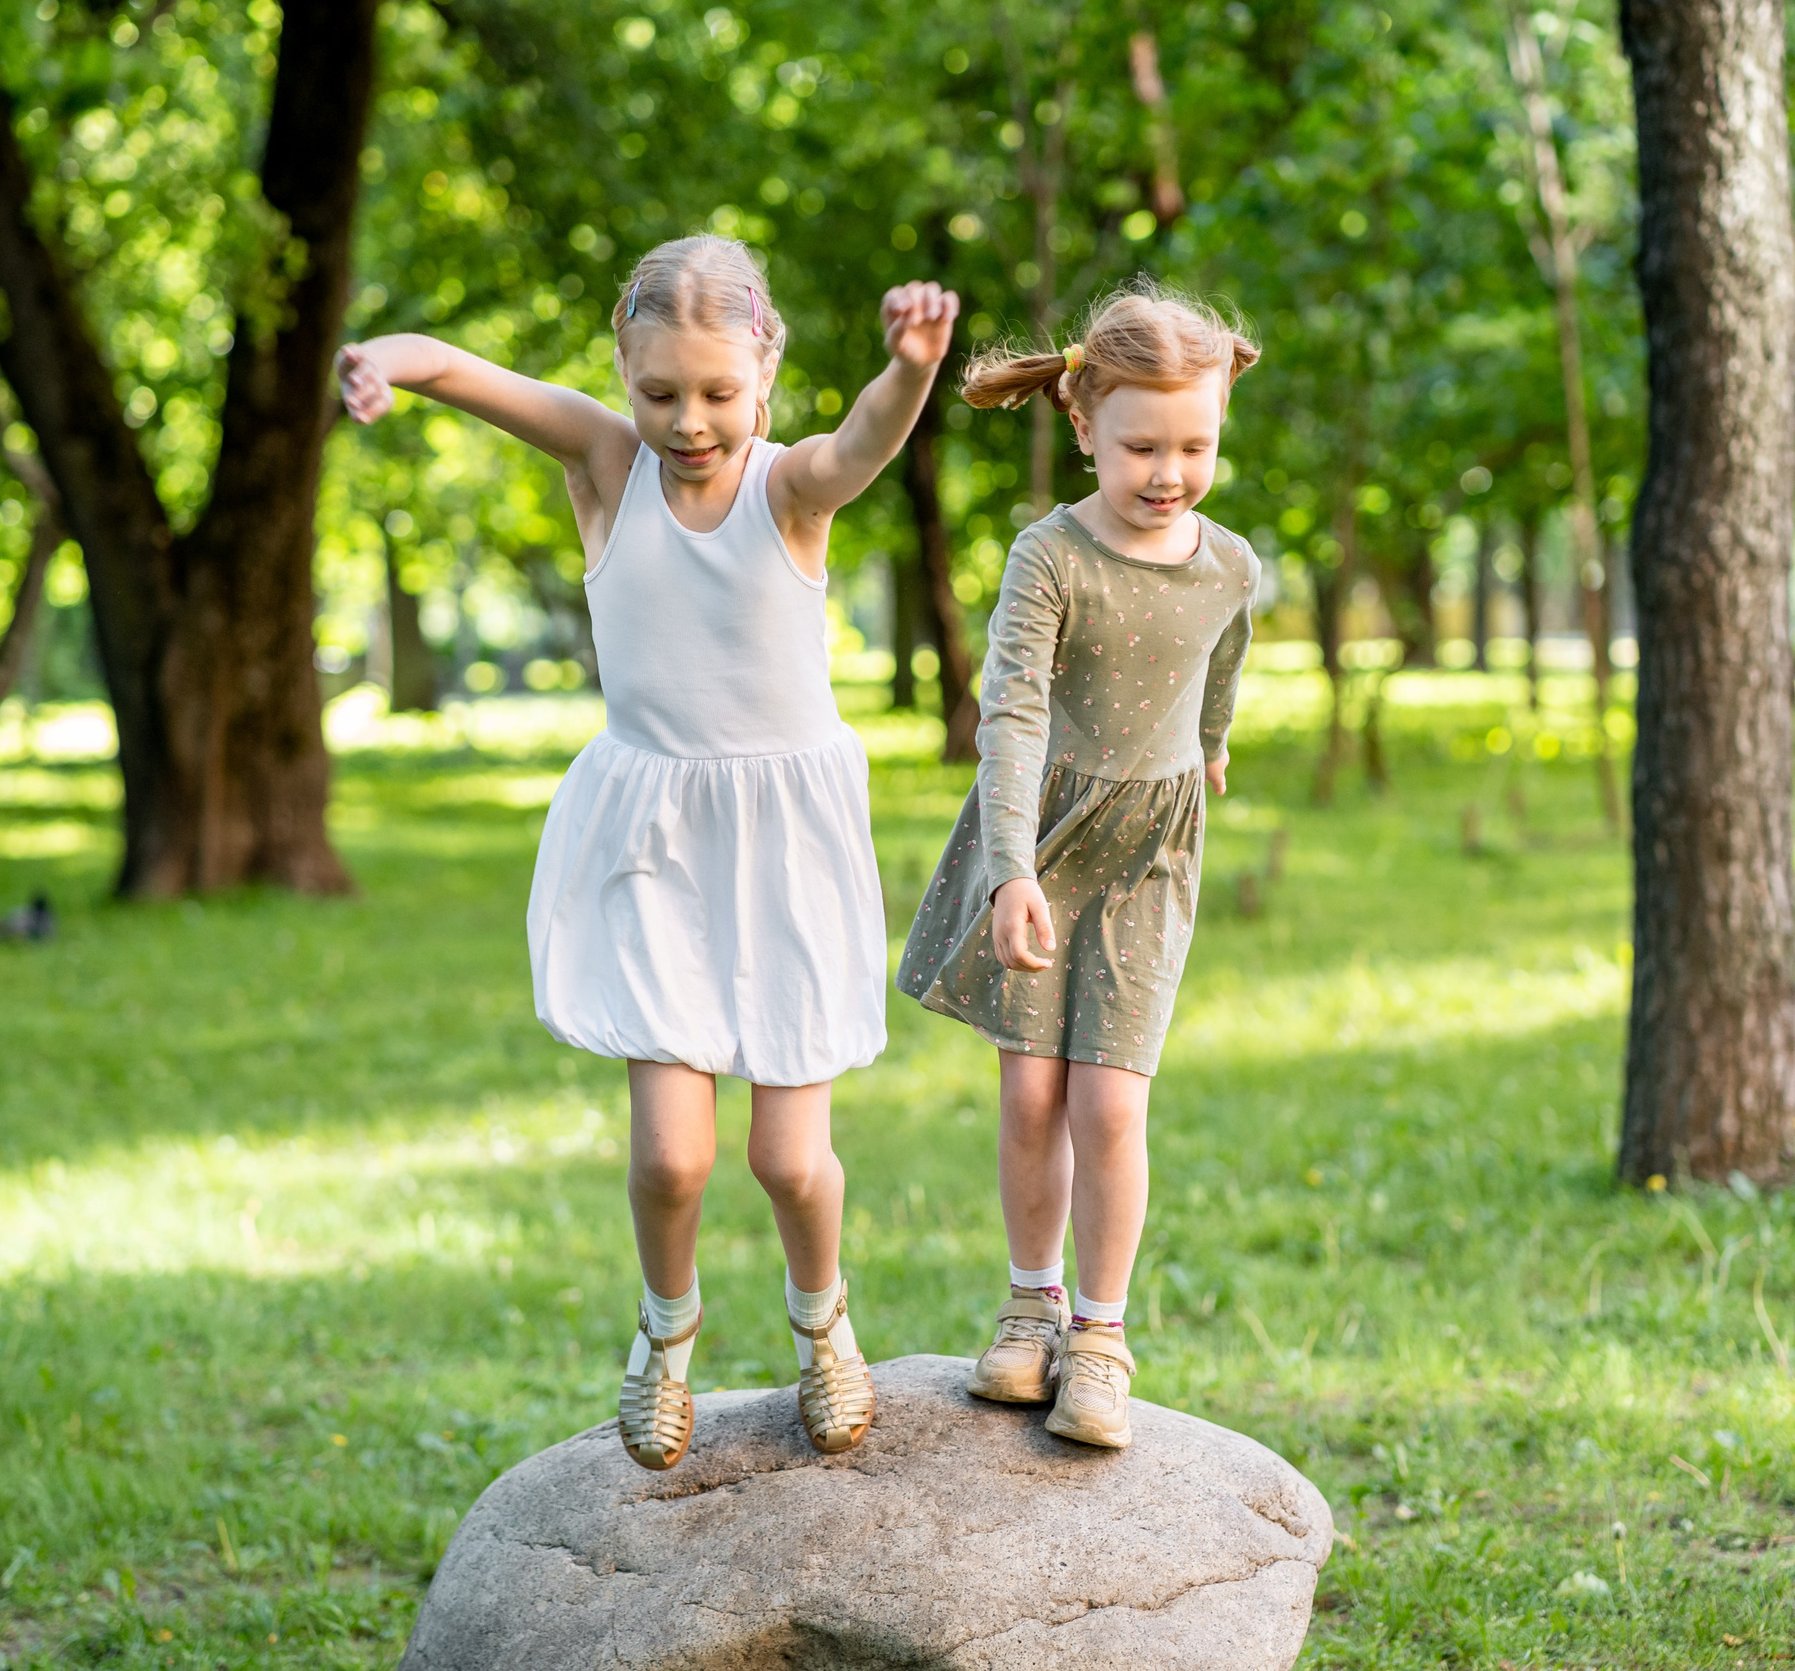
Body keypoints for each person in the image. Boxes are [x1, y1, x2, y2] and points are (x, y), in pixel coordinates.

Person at [336, 236, 959, 1469]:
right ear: (623, 371)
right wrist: (377, 365)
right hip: (658, 843)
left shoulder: (790, 491)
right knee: (672, 1156)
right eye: (659, 391)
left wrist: (910, 367)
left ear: (765, 375)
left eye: (719, 394)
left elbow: (864, 444)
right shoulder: (603, 465)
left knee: (788, 1159)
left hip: (781, 847)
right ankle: (665, 1333)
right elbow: (458, 368)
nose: (688, 421)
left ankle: (822, 1322)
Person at [896, 287, 1261, 1449]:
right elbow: (1007, 717)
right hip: (1043, 840)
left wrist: (1207, 747)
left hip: (1151, 854)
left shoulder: (1231, 565)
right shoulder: (1049, 556)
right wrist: (1009, 874)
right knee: (1033, 1091)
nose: (1169, 471)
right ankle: (1030, 1306)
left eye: (1194, 445)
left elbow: (1222, 664)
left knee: (1110, 1101)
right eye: (1142, 446)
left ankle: (1100, 1338)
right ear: (1085, 425)